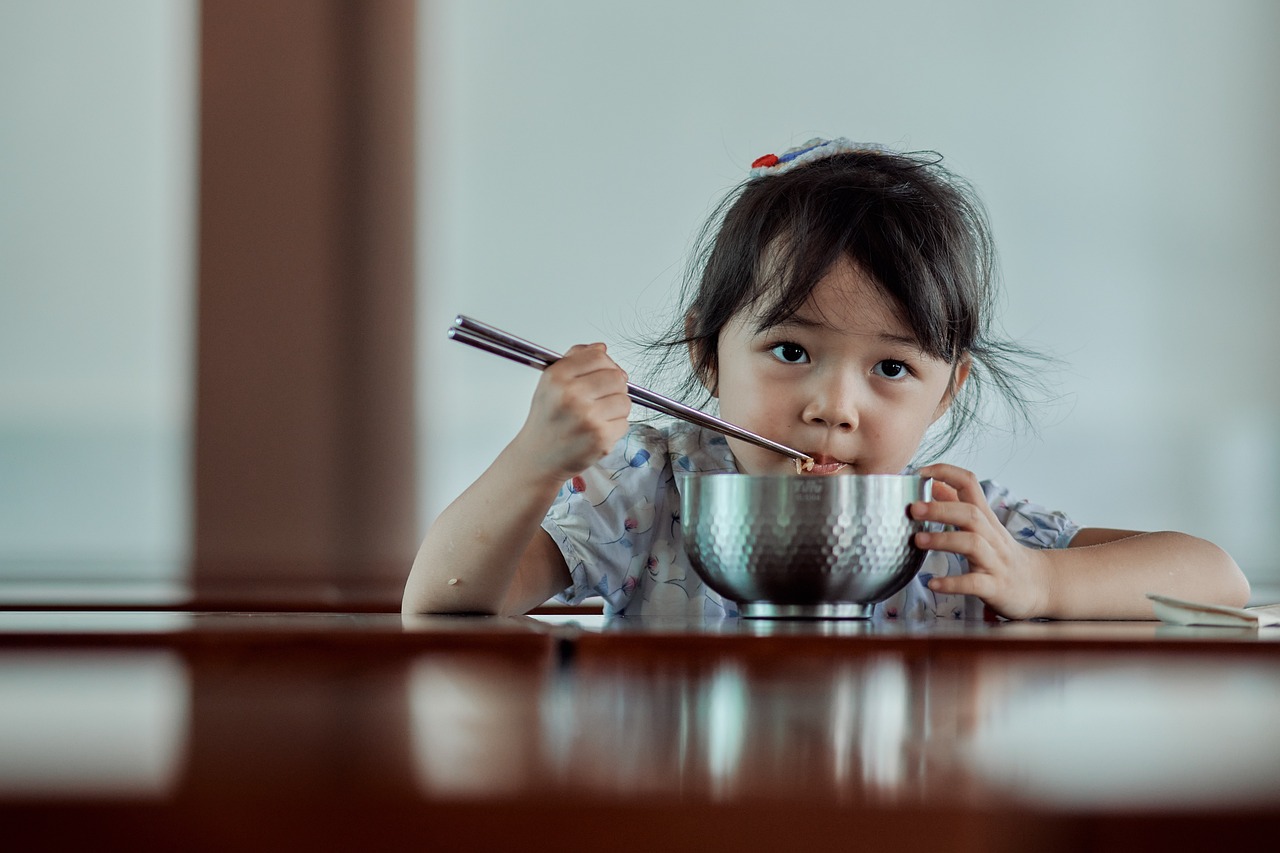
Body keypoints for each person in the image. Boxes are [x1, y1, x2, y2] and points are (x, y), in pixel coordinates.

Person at [402, 138, 1249, 620]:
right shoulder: (650, 492)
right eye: (792, 352)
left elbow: (1218, 578)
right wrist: (534, 458)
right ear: (707, 353)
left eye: (891, 368)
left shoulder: (949, 527)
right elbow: (444, 606)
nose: (833, 408)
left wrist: (1039, 579)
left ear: (944, 393)